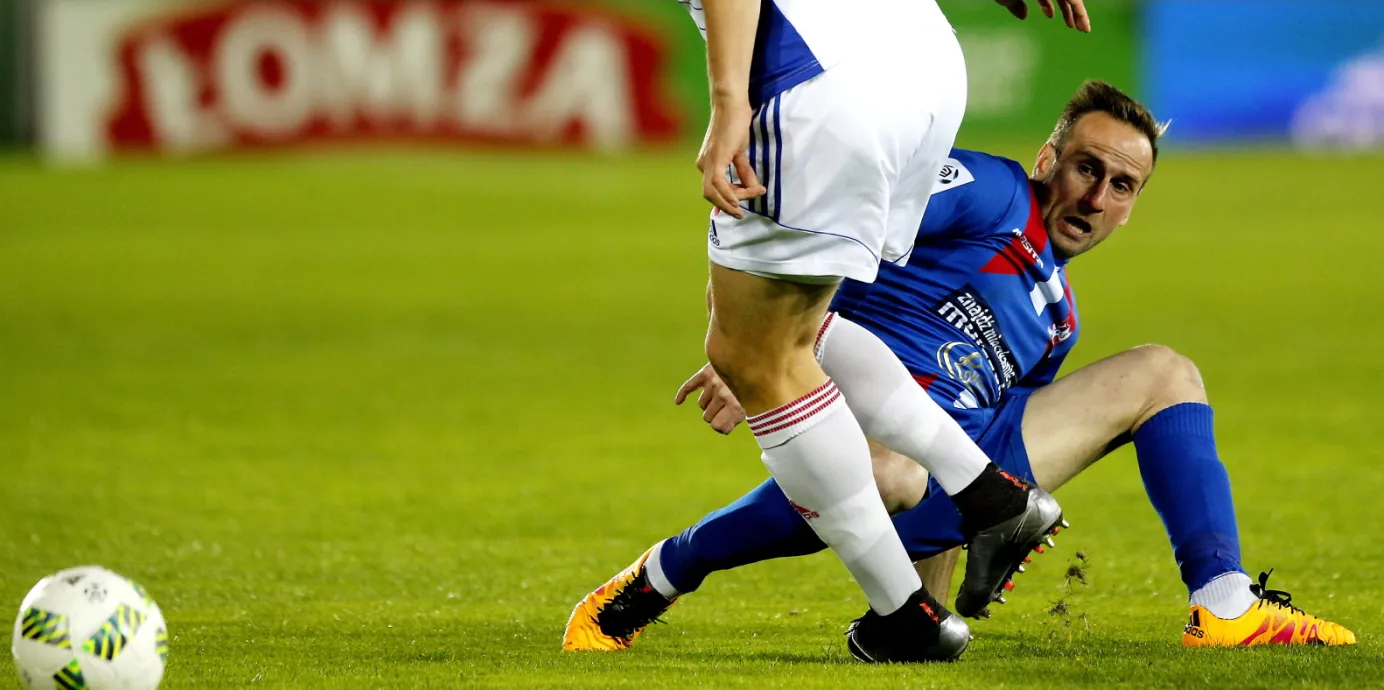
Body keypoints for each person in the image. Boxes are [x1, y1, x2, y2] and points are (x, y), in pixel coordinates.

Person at [432, 0, 1089, 662]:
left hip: (821, 86)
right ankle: (989, 495)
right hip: (924, 67)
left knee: (752, 355)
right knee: (794, 326)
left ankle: (906, 616)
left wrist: (730, 104)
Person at [568, 81, 1356, 651]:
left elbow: (978, 457)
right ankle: (666, 570)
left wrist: (931, 604)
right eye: (1087, 168)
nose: (1097, 197)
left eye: (1122, 186)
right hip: (861, 417)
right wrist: (763, 343)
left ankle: (1224, 603)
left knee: (1163, 373)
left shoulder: (1060, 322)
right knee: (897, 471)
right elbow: (849, 222)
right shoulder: (992, 190)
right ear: (1048, 158)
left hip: (952, 454)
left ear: (1132, 206)